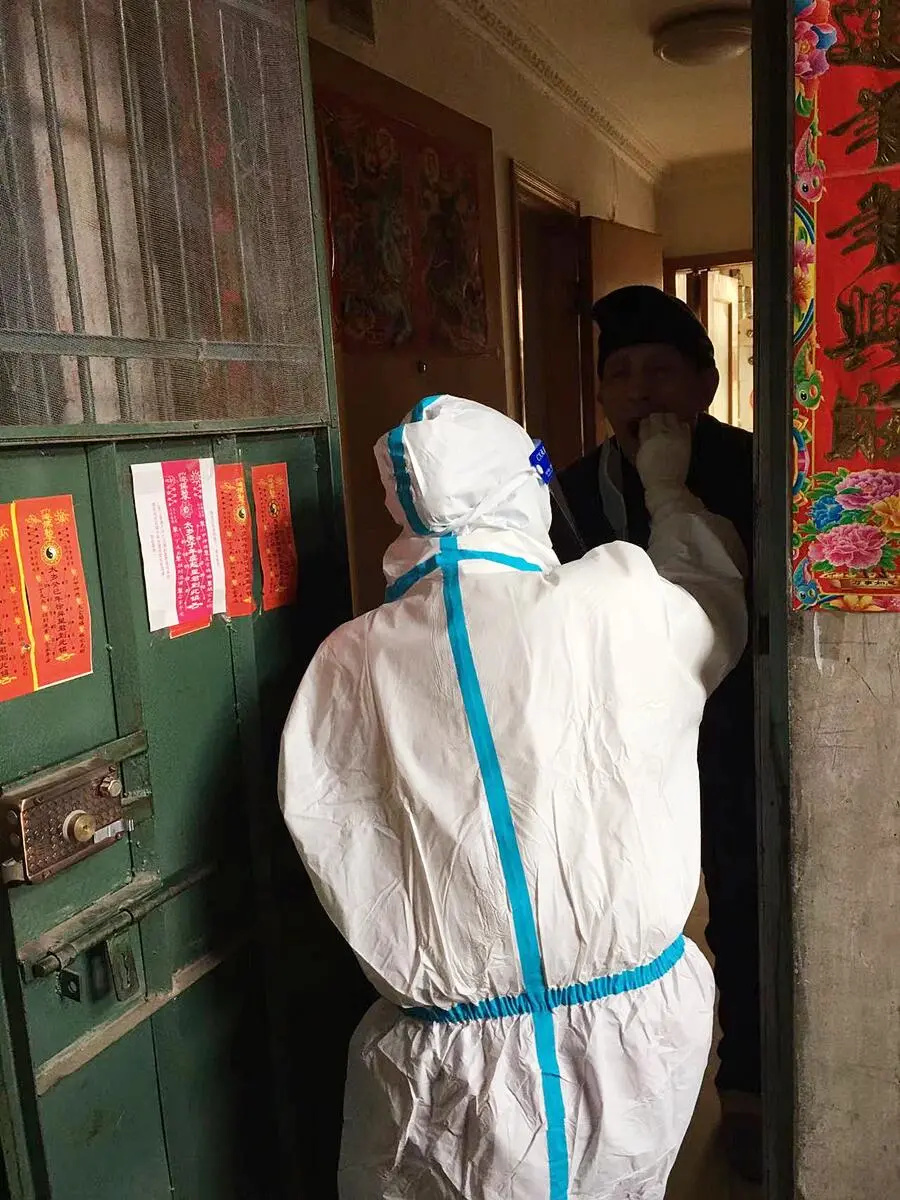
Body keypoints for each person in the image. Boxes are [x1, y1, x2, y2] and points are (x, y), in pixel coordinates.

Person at [279, 393, 748, 1199]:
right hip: (632, 1040)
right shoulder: (617, 601)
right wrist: (668, 492)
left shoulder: (346, 662)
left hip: (443, 1071)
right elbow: (712, 603)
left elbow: (337, 835)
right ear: (525, 488)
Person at [550, 285, 761, 1184]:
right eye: (621, 375)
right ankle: (628, 1101)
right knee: (629, 911)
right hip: (621, 738)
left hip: (737, 727)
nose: (640, 391)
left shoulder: (754, 466)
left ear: (706, 382)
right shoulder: (569, 488)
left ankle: (746, 1087)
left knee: (744, 900)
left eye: (662, 371)